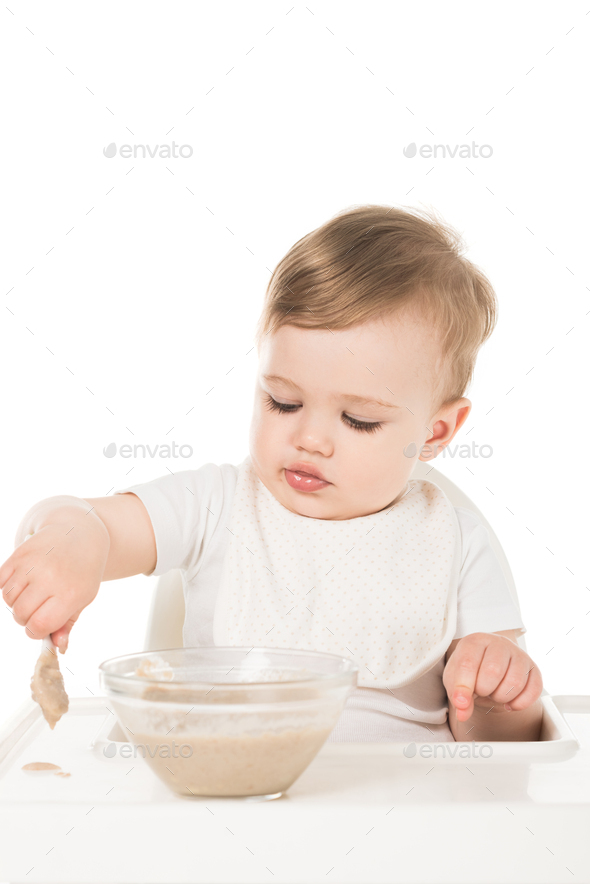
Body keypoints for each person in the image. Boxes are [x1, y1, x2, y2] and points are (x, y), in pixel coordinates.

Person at [0, 203, 544, 743]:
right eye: (283, 402)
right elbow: (98, 522)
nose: (309, 439)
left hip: (406, 815)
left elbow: (502, 752)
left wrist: (498, 695)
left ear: (436, 432)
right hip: (225, 805)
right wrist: (72, 541)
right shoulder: (212, 505)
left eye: (358, 420)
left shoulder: (459, 544)